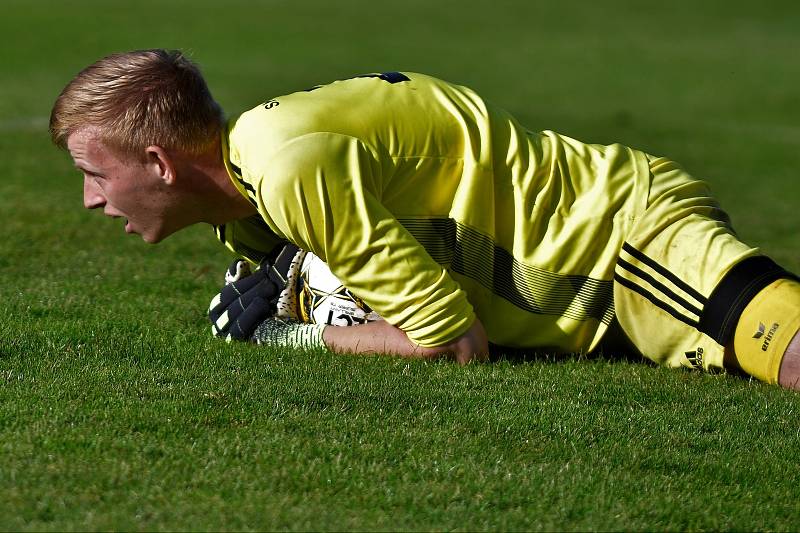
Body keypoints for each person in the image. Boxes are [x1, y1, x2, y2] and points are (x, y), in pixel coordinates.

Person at [49, 49, 800, 388]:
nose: (89, 198)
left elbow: (451, 342)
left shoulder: (285, 167)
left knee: (789, 348)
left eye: (94, 173)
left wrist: (290, 333)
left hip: (621, 242)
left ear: (159, 162)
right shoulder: (251, 195)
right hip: (594, 301)